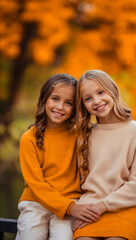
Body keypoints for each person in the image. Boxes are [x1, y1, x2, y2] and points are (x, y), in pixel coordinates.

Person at [16, 73, 136, 240]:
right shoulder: (78, 134)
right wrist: (74, 208)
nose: (96, 101)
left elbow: (132, 176)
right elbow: (38, 183)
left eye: (68, 103)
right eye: (88, 98)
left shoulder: (133, 131)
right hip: (63, 205)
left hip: (103, 206)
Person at [15, 73, 100, 240]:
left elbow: (112, 141)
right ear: (44, 99)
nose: (60, 107)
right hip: (35, 202)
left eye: (68, 103)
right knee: (30, 234)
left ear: (76, 107)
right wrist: (70, 208)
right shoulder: (29, 138)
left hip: (70, 201)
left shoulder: (81, 133)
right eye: (55, 99)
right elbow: (36, 185)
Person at [72, 70, 136, 240]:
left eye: (101, 92)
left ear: (113, 90)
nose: (97, 101)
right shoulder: (84, 134)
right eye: (88, 98)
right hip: (89, 208)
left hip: (127, 207)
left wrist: (103, 206)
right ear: (83, 104)